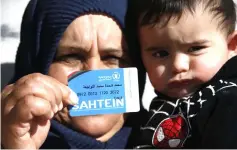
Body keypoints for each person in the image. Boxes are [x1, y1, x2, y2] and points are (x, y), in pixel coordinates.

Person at [1, 0, 146, 149]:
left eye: (113, 58)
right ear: (36, 65)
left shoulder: (164, 137)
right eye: (72, 57)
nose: (94, 73)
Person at [125, 0, 237, 148]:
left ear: (231, 45)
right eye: (161, 53)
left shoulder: (227, 100)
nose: (178, 66)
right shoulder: (149, 111)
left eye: (195, 48)